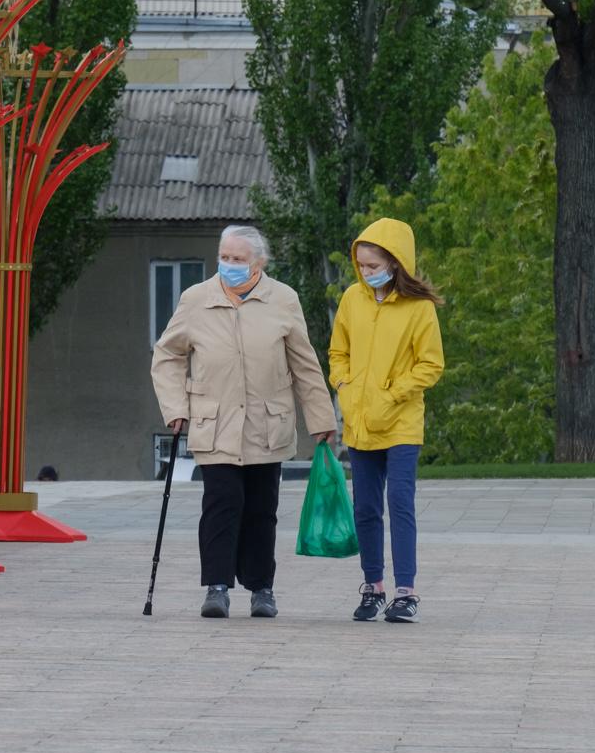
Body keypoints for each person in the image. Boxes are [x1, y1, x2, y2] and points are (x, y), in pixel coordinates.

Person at [152, 224, 338, 618]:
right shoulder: (195, 299)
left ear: (259, 263)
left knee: (260, 509)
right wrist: (175, 407)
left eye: (238, 259)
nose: (229, 265)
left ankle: (261, 589)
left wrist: (321, 417)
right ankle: (216, 588)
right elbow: (167, 355)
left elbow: (304, 364)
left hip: (266, 425)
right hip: (214, 423)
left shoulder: (283, 299)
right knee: (222, 503)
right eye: (224, 257)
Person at [329, 218, 443, 624]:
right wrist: (343, 386)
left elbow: (431, 364)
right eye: (360, 264)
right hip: (360, 423)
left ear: (395, 262)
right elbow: (337, 352)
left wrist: (392, 394)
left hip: (401, 422)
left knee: (399, 502)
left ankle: (405, 593)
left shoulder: (419, 307)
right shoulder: (351, 299)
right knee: (365, 508)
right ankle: (373, 587)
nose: (365, 271)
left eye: (373, 265)